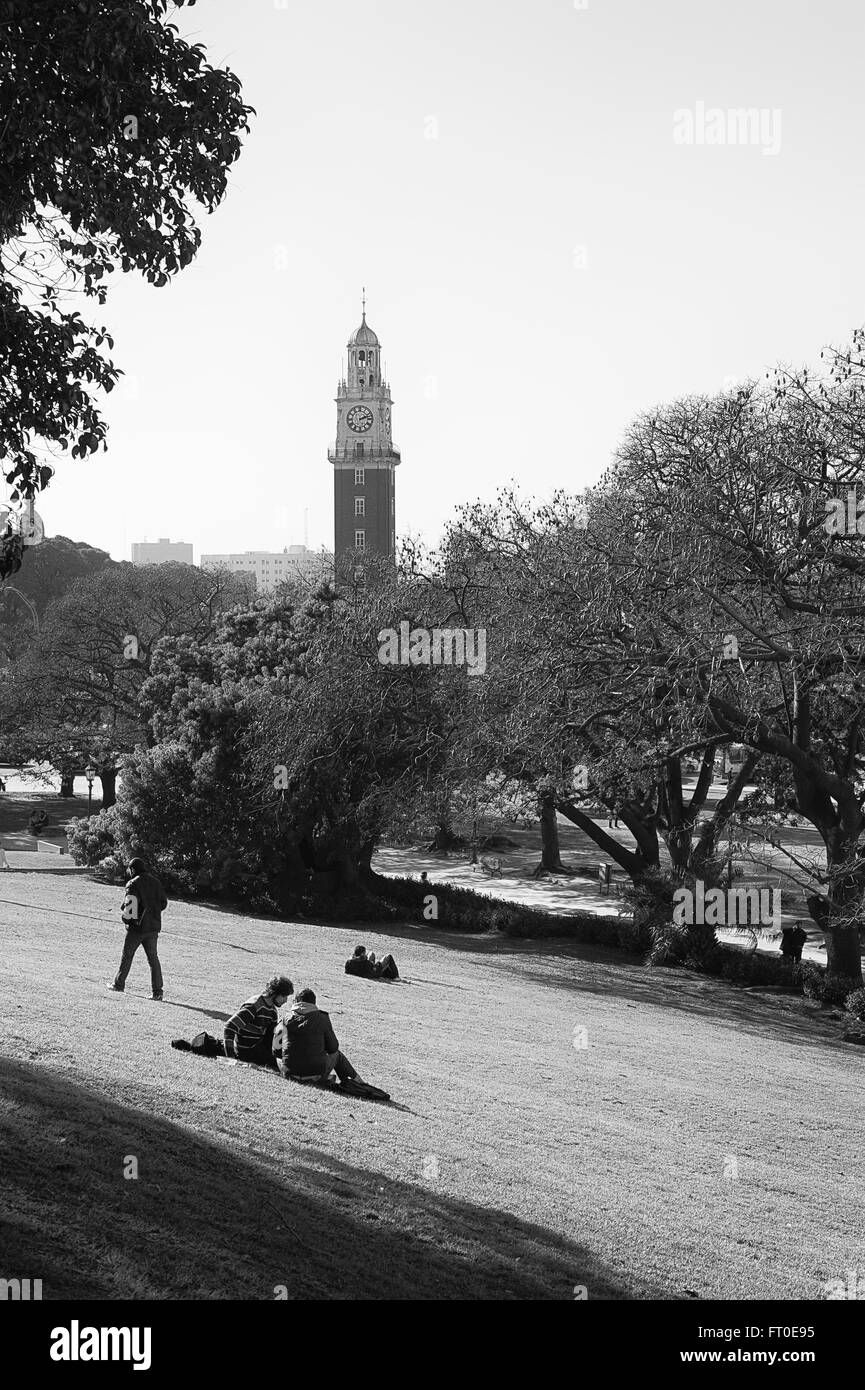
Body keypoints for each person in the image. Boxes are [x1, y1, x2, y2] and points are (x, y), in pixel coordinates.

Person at [273, 987, 362, 1085]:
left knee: (281, 1057)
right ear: (314, 1003)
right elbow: (333, 1048)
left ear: (295, 1001)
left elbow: (276, 1050)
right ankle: (358, 1082)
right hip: (315, 1075)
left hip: (289, 1073)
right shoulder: (322, 1018)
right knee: (337, 1055)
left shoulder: (285, 1019)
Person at [108, 857, 168, 1000]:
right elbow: (164, 903)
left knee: (127, 956)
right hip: (153, 927)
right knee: (153, 959)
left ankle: (118, 984)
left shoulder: (133, 884)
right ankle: (157, 992)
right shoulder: (156, 882)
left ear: (132, 869)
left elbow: (131, 906)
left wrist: (126, 919)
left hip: (137, 928)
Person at [224, 975, 293, 1065]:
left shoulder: (272, 1011)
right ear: (274, 992)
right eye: (284, 996)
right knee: (285, 1063)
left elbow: (270, 1038)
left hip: (258, 1048)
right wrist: (230, 1057)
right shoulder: (254, 1005)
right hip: (246, 1051)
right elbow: (229, 1027)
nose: (285, 1000)